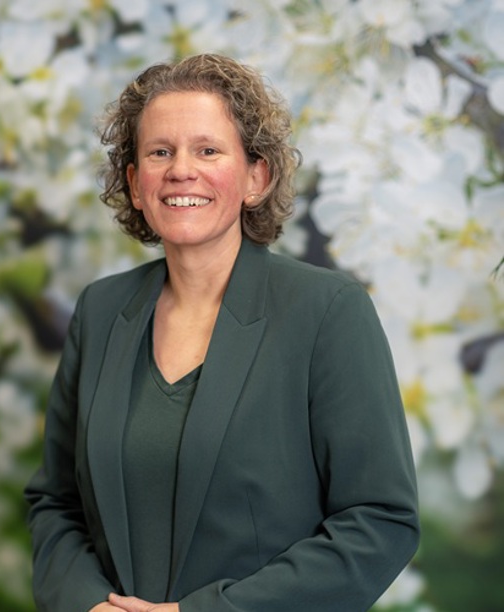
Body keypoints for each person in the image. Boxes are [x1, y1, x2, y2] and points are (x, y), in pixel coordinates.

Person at [24, 53, 420, 612]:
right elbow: (56, 503)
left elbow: (380, 521)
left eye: (208, 150)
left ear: (256, 177)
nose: (181, 170)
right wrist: (89, 604)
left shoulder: (328, 311)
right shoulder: (100, 311)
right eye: (160, 152)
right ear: (134, 183)